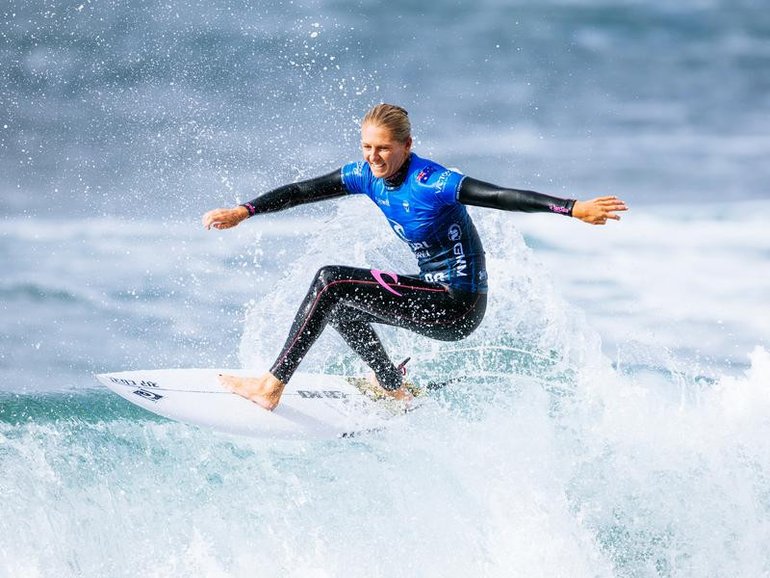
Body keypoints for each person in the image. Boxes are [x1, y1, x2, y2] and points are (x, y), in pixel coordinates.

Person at [202, 103, 627, 411]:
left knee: (331, 281)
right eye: (367, 147)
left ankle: (270, 387)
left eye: (384, 148)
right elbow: (303, 191)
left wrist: (572, 207)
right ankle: (391, 386)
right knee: (337, 303)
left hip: (456, 304)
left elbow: (501, 195)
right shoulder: (365, 175)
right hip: (434, 297)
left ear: (407, 146)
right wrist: (246, 210)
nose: (373, 157)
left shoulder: (434, 181)